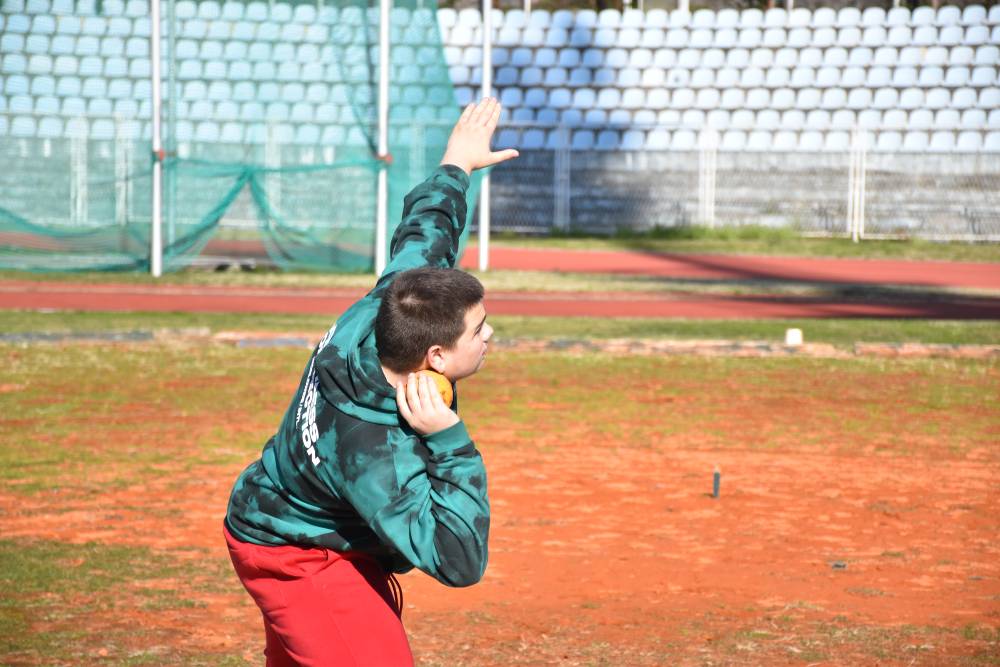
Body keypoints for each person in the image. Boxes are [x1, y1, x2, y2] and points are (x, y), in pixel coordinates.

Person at [223, 98, 518, 666]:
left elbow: (424, 235)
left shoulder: (387, 309)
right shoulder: (374, 448)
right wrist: (449, 441)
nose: (490, 335)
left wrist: (457, 164)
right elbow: (458, 560)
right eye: (478, 329)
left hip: (305, 523)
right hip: (296, 553)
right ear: (435, 355)